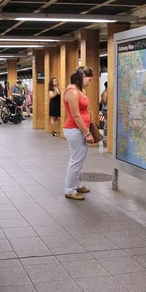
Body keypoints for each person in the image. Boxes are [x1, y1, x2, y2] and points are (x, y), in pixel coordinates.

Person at [63, 66, 94, 201]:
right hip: (74, 130)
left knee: (80, 159)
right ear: (82, 77)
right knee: (76, 160)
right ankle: (70, 189)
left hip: (80, 129)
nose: (89, 82)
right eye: (89, 80)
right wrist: (87, 133)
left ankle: (76, 185)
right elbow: (75, 115)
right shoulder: (72, 92)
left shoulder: (78, 90)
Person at [101, 81, 108, 146]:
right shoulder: (105, 92)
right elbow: (104, 102)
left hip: (106, 109)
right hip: (106, 110)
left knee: (107, 123)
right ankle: (105, 139)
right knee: (106, 124)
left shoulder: (105, 92)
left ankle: (105, 138)